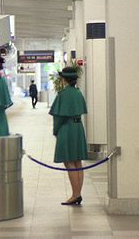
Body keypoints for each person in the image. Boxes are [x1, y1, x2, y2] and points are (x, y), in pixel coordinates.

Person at [49, 67, 88, 206]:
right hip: (78, 128)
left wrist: (55, 131)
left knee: (69, 162)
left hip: (67, 128)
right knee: (77, 161)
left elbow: (58, 117)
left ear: (64, 79)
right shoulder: (78, 93)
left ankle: (75, 195)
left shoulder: (63, 94)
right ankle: (78, 193)